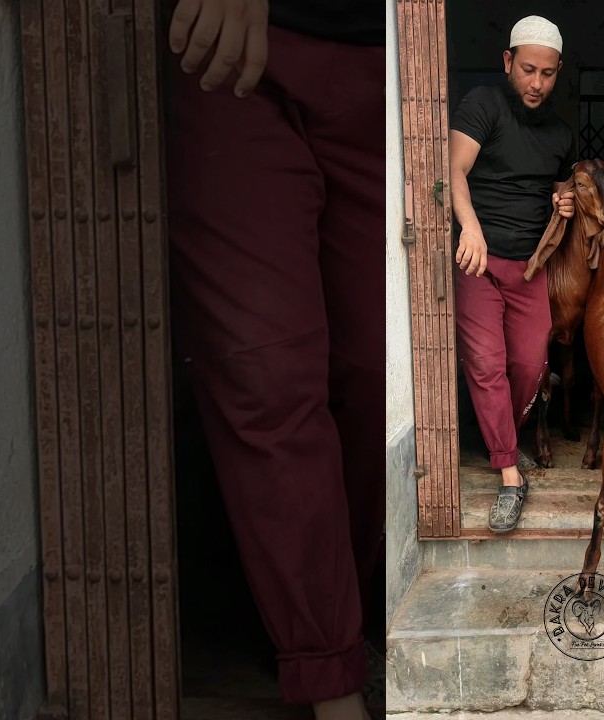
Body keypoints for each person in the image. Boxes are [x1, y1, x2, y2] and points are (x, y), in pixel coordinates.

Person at [163, 0, 382, 718]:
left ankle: (340, 617)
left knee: (382, 375)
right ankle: (330, 678)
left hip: (381, 56)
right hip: (227, 47)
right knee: (266, 370)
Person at [448, 15, 576, 533]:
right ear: (508, 62)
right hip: (478, 261)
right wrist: (470, 229)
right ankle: (508, 474)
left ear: (558, 71)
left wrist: (563, 202)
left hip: (529, 267)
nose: (536, 83)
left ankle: (495, 438)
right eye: (528, 70)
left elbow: (559, 190)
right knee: (486, 362)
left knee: (528, 364)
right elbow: (454, 169)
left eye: (547, 73)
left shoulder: (560, 133)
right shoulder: (483, 105)